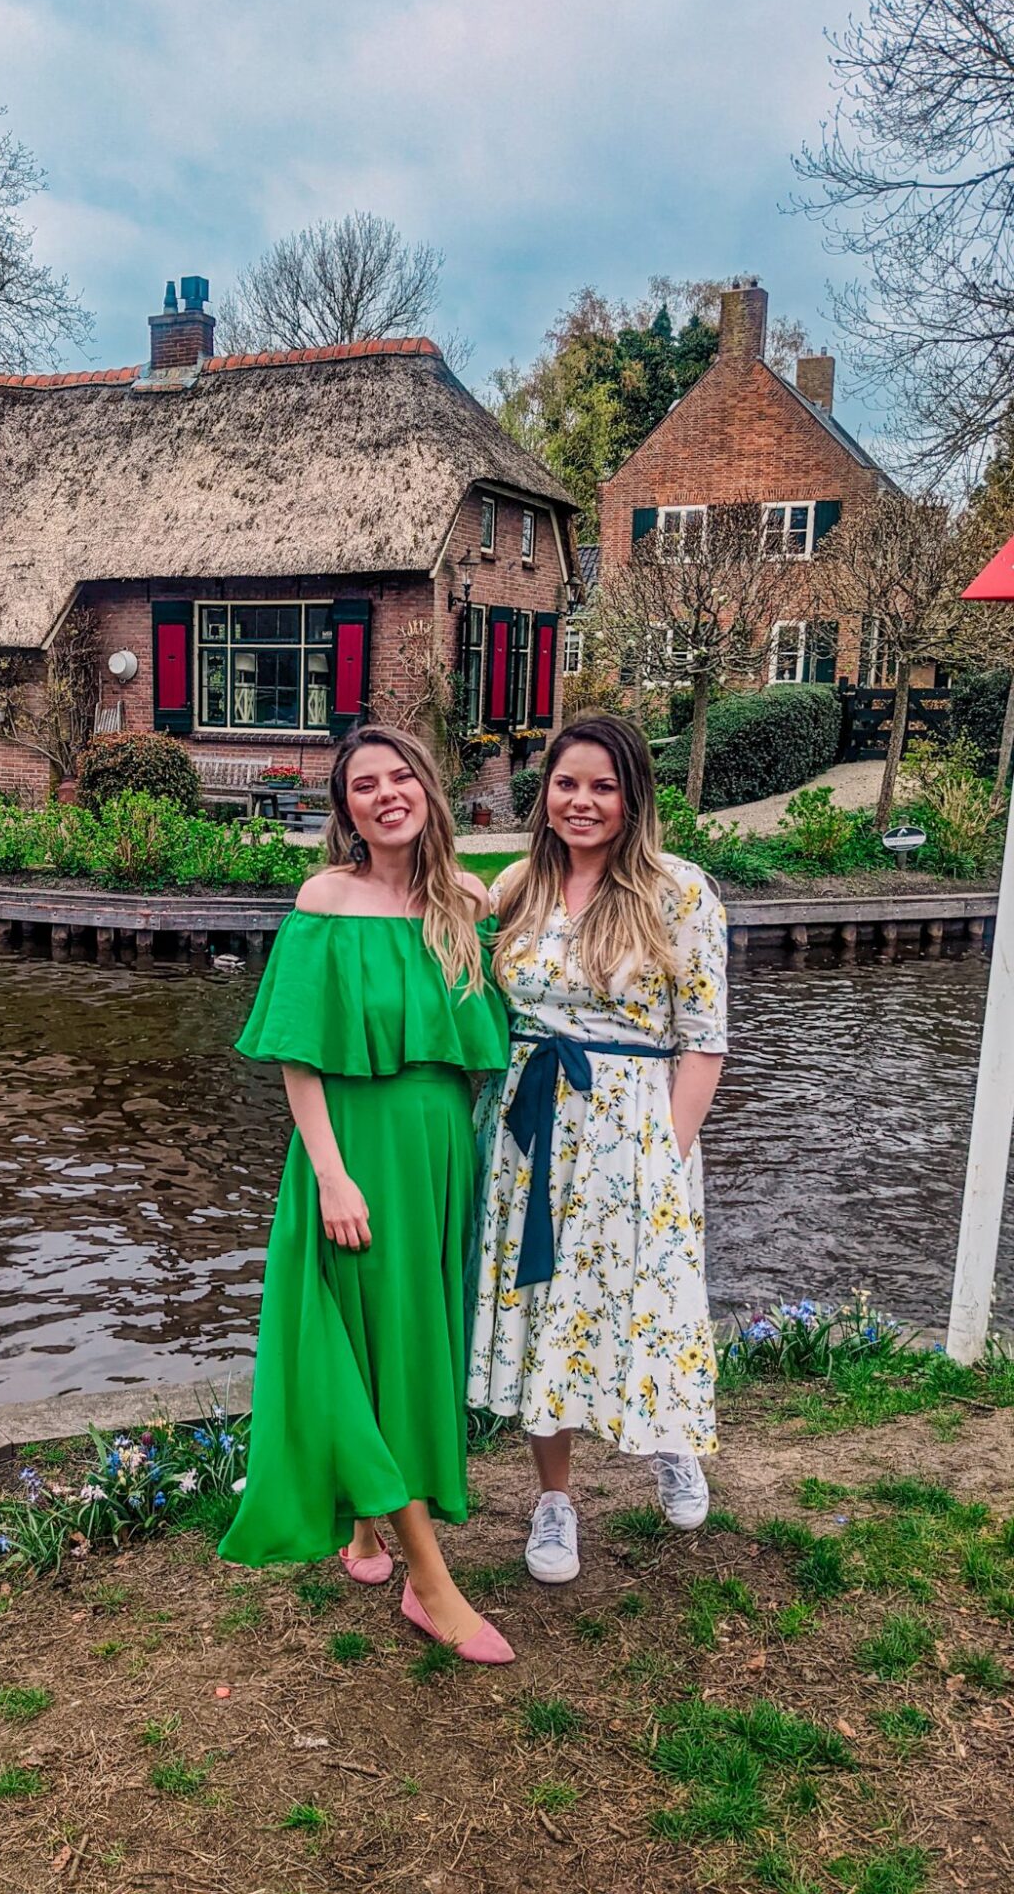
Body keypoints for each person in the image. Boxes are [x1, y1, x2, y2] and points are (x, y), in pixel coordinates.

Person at [219, 724, 514, 1663]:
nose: (384, 794)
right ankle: (435, 1588)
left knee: (408, 1338)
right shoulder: (327, 899)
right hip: (354, 1152)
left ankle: (367, 1527)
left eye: (399, 777)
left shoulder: (463, 901)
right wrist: (332, 1173)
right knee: (356, 1338)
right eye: (362, 786)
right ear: (344, 810)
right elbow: (300, 1056)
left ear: (427, 787)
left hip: (440, 1152)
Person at [466, 713, 728, 1584]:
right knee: (548, 1308)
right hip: (533, 1131)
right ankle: (554, 1501)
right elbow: (442, 930)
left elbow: (706, 1039)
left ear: (632, 797)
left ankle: (672, 1442)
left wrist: (667, 1149)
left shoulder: (679, 892)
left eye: (602, 786)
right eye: (567, 783)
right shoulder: (517, 887)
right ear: (545, 793)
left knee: (647, 1295)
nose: (581, 802)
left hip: (634, 1133)